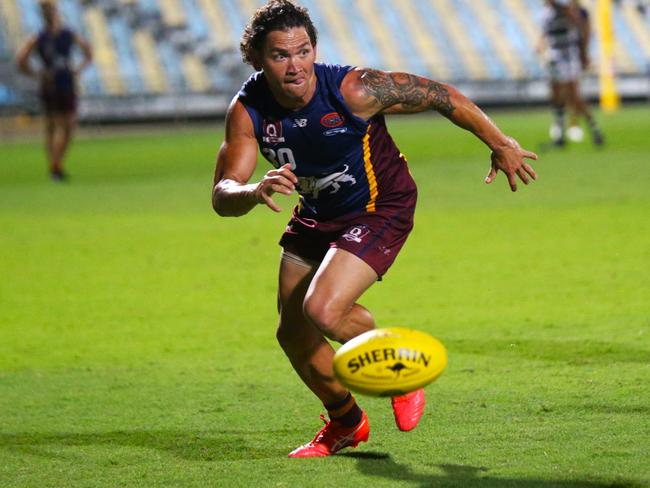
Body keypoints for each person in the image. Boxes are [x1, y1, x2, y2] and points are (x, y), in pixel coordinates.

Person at [211, 0, 537, 458]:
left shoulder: (354, 89)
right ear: (257, 60)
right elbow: (222, 194)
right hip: (317, 213)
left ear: (315, 49)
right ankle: (346, 422)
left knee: (323, 310)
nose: (295, 65)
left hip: (379, 207)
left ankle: (401, 370)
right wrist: (251, 191)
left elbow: (442, 95)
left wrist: (500, 143)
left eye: (303, 51)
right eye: (280, 55)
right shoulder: (248, 111)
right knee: (293, 332)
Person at [16, 0, 92, 181]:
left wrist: (37, 73)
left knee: (56, 126)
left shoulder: (47, 36)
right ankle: (56, 166)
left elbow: (21, 61)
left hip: (54, 83)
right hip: (59, 83)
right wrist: (77, 69)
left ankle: (54, 165)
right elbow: (88, 52)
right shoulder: (55, 36)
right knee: (62, 126)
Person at [539, 0, 603, 146]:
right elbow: (546, 31)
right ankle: (560, 136)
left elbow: (579, 22)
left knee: (574, 96)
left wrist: (584, 53)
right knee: (556, 96)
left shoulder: (564, 7)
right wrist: (541, 43)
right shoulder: (546, 11)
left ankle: (595, 130)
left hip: (568, 55)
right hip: (554, 55)